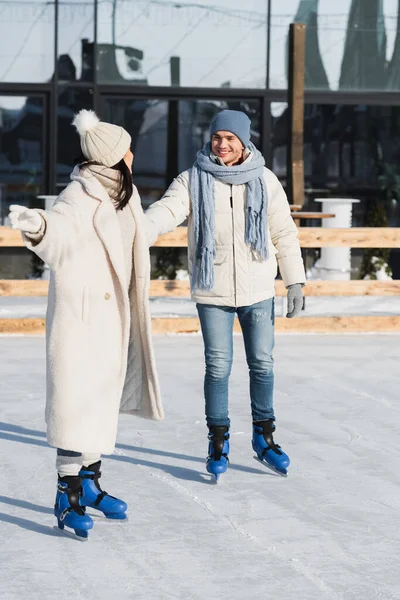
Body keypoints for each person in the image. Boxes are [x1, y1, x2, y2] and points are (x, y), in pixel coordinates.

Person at [9, 110, 163, 537]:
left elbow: (139, 234)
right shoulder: (78, 197)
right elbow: (56, 233)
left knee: (99, 402)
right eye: (128, 147)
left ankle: (92, 484)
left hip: (113, 319)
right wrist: (36, 226)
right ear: (114, 155)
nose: (133, 152)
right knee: (74, 406)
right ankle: (67, 495)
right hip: (82, 321)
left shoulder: (123, 193)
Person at [145, 109, 305, 479]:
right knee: (218, 367)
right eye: (218, 137)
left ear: (244, 141)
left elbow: (283, 233)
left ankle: (264, 438)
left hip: (259, 288)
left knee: (262, 363)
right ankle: (218, 440)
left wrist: (294, 280)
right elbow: (166, 212)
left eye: (230, 138)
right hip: (213, 289)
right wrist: (137, 228)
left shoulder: (265, 180)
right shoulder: (192, 180)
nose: (223, 144)